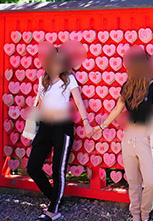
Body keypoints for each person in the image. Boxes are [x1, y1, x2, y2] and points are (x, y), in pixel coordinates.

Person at [93, 46, 153, 221]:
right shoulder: (128, 86)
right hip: (128, 138)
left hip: (147, 137)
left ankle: (145, 212)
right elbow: (118, 108)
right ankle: (135, 214)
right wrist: (102, 126)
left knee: (151, 181)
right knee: (133, 182)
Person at [26, 41, 94, 221]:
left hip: (62, 126)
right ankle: (54, 198)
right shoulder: (43, 79)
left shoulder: (69, 79)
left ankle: (54, 209)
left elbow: (78, 101)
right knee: (32, 167)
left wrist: (86, 122)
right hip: (46, 125)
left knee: (58, 168)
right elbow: (38, 102)